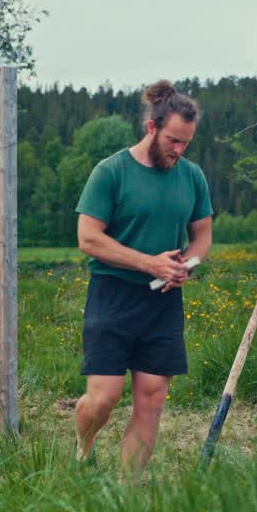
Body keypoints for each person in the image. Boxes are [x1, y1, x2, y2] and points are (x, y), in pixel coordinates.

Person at [72, 79, 213, 476]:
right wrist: (148, 263)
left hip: (163, 301)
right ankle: (84, 447)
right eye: (173, 140)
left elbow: (201, 236)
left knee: (152, 398)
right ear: (152, 128)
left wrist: (188, 265)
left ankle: (127, 495)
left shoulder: (192, 177)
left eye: (186, 142)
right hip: (112, 295)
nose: (179, 150)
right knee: (103, 399)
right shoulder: (111, 172)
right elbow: (88, 238)